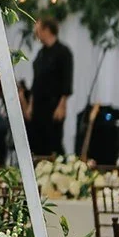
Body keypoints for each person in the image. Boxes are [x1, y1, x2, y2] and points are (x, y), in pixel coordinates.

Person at [19, 18, 72, 159]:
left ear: (47, 30)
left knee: (53, 141)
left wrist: (62, 104)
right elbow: (36, 81)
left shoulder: (63, 52)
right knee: (38, 142)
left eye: (39, 30)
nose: (36, 34)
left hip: (54, 104)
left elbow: (67, 81)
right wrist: (30, 104)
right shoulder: (41, 53)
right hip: (39, 105)